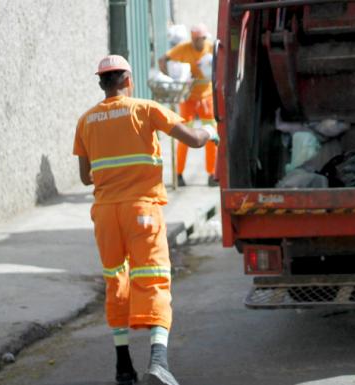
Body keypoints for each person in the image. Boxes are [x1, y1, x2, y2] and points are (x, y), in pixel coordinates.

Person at [73, 55, 218, 385]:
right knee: (153, 280)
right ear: (127, 80)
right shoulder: (145, 109)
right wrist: (210, 132)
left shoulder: (85, 120)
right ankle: (158, 361)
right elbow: (193, 140)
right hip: (142, 211)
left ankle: (123, 366)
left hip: (106, 214)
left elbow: (85, 177)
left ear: (101, 83)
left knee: (116, 281)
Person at [158, 23, 218, 187]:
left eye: (203, 38)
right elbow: (163, 60)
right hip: (188, 98)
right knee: (183, 136)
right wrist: (171, 79)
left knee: (211, 135)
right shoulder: (183, 49)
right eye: (198, 39)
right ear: (192, 38)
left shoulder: (211, 48)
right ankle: (179, 174)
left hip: (206, 98)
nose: (201, 42)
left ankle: (212, 173)